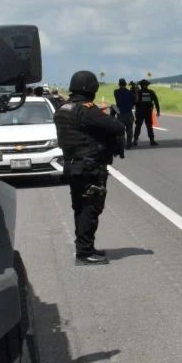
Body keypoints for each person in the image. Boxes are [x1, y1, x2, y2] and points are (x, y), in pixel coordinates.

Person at [54, 70, 127, 266]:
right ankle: (84, 253)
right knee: (90, 208)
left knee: (80, 207)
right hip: (89, 166)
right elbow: (116, 127)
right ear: (91, 88)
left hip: (72, 165)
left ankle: (85, 248)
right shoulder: (86, 109)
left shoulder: (63, 108)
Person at [133, 78, 160, 146]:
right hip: (148, 112)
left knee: (138, 126)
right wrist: (158, 111)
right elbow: (156, 102)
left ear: (140, 85)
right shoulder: (151, 92)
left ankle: (135, 140)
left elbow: (134, 102)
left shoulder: (138, 92)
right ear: (147, 85)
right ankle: (152, 140)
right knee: (149, 126)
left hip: (139, 112)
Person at [113, 78, 136, 148]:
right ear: (125, 84)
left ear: (119, 84)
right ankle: (129, 144)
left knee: (121, 131)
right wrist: (135, 92)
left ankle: (123, 144)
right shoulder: (130, 93)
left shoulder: (116, 92)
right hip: (129, 114)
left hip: (120, 114)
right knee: (129, 131)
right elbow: (134, 101)